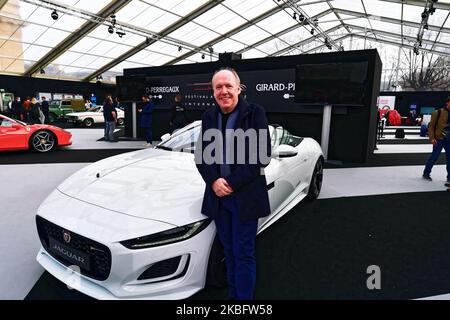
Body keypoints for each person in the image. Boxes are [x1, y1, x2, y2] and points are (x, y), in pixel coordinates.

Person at [195, 67, 271, 300]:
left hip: (245, 197)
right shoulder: (209, 116)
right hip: (218, 198)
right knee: (228, 250)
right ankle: (233, 296)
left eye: (229, 86)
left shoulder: (254, 113)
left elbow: (262, 155)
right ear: (213, 91)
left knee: (243, 253)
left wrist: (227, 182)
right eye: (219, 87)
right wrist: (213, 182)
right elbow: (201, 157)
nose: (224, 91)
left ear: (238, 88)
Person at [423, 96, 450, 185]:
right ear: (447, 102)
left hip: (449, 140)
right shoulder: (437, 113)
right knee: (433, 157)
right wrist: (432, 138)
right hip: (439, 139)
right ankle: (426, 173)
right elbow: (431, 126)